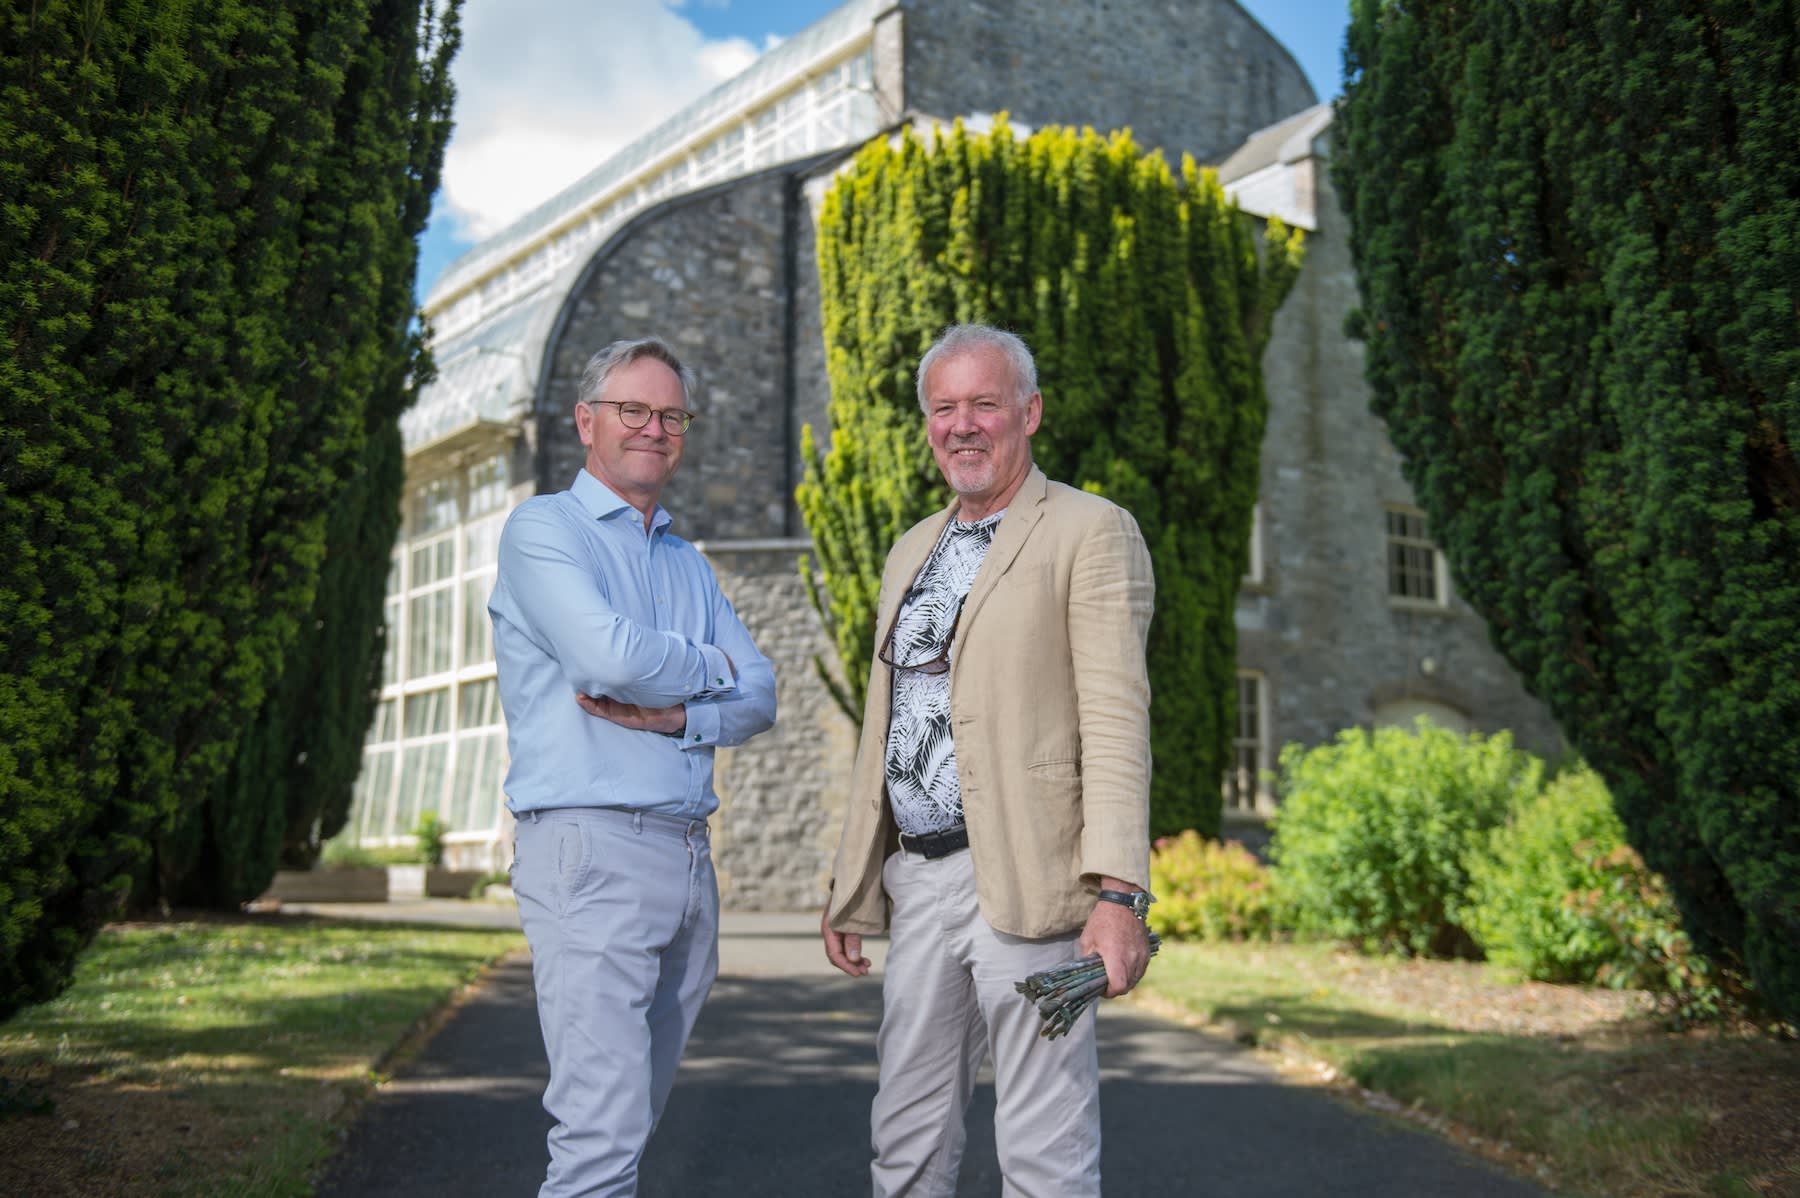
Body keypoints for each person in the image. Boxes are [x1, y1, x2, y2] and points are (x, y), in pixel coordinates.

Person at [820, 323, 1156, 1196]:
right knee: (906, 1137)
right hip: (919, 881)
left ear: (1030, 413)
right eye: (944, 407)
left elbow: (1117, 722)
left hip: (1033, 880)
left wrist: (1119, 895)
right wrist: (854, 881)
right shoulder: (909, 550)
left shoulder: (1091, 530)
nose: (963, 425)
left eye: (985, 404)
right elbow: (887, 728)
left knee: (1044, 1150)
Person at [489, 336, 777, 1198]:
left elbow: (760, 696)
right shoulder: (544, 530)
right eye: (633, 411)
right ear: (588, 421)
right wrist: (712, 665)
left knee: (631, 1119)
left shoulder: (687, 562)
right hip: (591, 850)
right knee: (600, 1130)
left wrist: (683, 709)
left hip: (688, 858)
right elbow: (607, 658)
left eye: (671, 416)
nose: (654, 429)